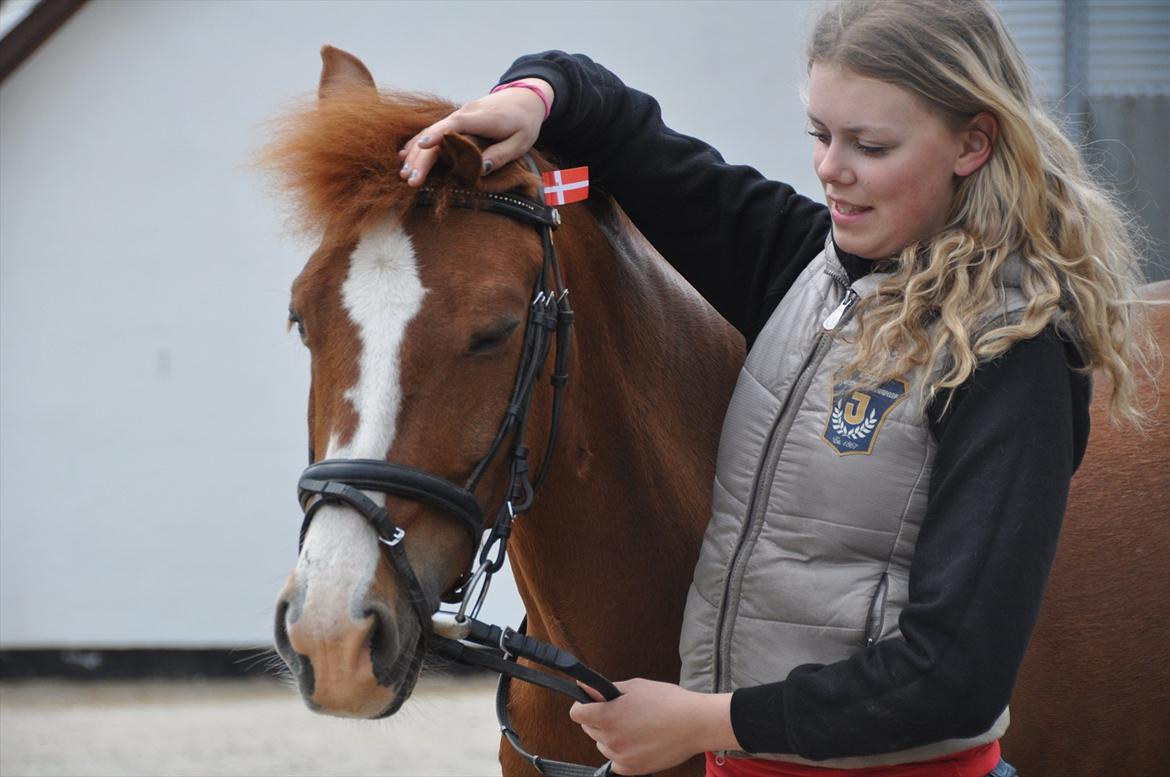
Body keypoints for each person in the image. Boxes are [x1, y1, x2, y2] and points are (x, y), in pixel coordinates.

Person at [397, 1, 1154, 775]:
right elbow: (616, 120)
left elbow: (953, 677)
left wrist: (705, 720)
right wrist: (529, 97)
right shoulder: (805, 268)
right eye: (821, 135)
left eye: (871, 144)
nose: (831, 167)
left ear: (973, 142)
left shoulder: (1012, 352)